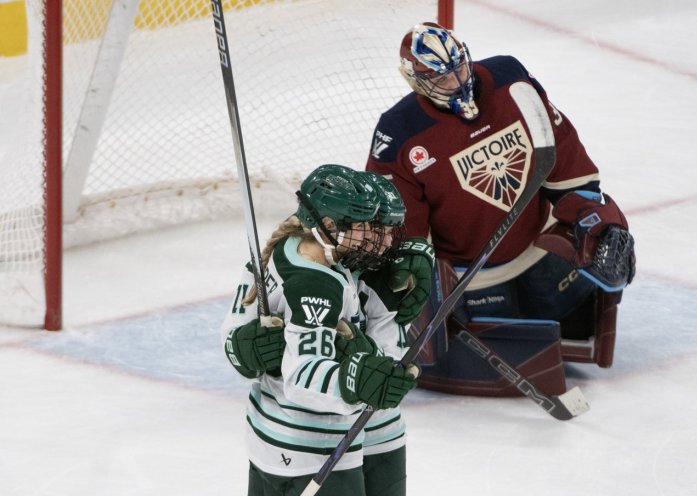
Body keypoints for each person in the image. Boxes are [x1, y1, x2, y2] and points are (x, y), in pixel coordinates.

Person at [365, 22, 635, 396]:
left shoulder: (511, 82)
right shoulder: (399, 134)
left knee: (571, 306)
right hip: (472, 275)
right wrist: (421, 286)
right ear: (414, 80)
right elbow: (402, 230)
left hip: (536, 247)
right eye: (441, 78)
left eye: (459, 68)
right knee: (509, 332)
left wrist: (595, 220)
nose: (457, 82)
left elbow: (565, 156)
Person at [220, 164, 433, 496]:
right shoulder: (315, 283)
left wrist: (375, 360)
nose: (384, 240)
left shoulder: (335, 258)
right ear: (329, 226)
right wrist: (355, 380)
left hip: (363, 432)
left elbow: (387, 348)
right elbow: (302, 375)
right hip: (311, 443)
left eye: (387, 228)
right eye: (371, 227)